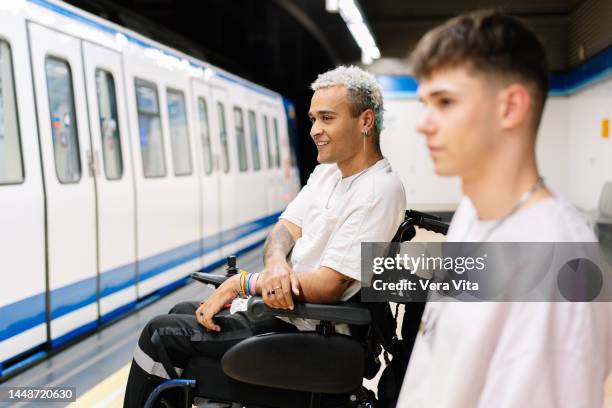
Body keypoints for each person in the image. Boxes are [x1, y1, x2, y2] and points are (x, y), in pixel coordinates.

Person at [123, 65, 407, 406]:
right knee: (184, 309)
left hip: (311, 329)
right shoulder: (327, 174)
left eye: (327, 118)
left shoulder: (378, 190)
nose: (315, 130)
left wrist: (242, 283)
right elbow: (283, 230)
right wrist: (275, 268)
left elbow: (331, 285)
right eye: (313, 119)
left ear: (365, 121)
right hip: (284, 313)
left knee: (160, 333)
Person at [397, 10, 611, 407]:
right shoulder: (472, 214)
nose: (423, 123)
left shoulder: (559, 265)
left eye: (444, 102)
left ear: (510, 107)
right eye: (425, 102)